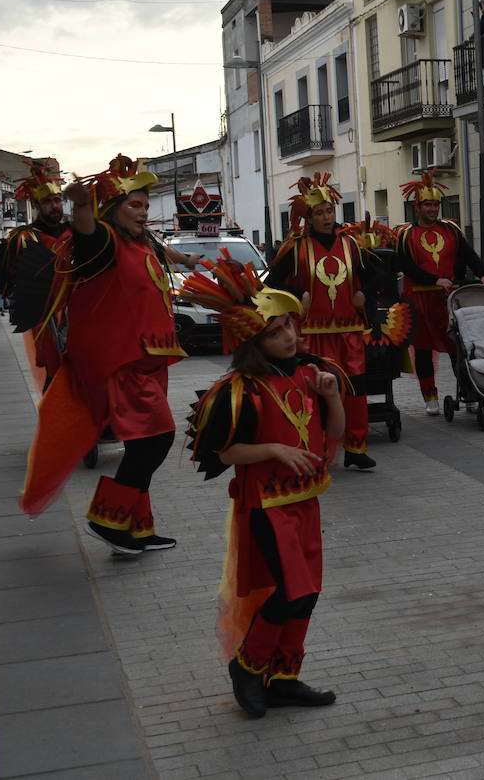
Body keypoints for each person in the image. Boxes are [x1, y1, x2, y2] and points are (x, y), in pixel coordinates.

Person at [179, 258, 344, 717]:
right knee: (290, 591)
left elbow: (337, 433)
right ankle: (248, 668)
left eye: (289, 325)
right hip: (267, 504)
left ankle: (285, 677)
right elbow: (225, 454)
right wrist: (273, 448)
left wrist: (331, 397)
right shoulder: (239, 391)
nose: (289, 336)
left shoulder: (313, 372)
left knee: (308, 592)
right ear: (254, 341)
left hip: (306, 499)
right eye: (275, 332)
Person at [20, 155, 195, 554]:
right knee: (158, 439)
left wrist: (191, 264)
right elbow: (86, 233)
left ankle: (137, 528)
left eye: (146, 205)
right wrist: (81, 205)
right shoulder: (104, 241)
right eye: (135, 205)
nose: (144, 211)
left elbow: (161, 259)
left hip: (151, 361)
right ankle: (107, 518)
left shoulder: (141, 242)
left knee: (141, 444)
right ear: (112, 210)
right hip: (124, 364)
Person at [265, 173, 377, 470]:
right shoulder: (297, 248)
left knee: (354, 391)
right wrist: (296, 291)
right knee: (317, 393)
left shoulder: (352, 245)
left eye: (330, 211)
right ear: (309, 218)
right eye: (319, 213)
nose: (327, 217)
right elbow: (269, 283)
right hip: (312, 334)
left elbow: (375, 277)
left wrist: (365, 293)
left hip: (349, 332)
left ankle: (356, 449)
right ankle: (317, 449)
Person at [395, 171, 484, 415]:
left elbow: (467, 253)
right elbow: (405, 266)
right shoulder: (405, 233)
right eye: (427, 204)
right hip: (418, 299)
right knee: (423, 350)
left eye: (436, 204)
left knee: (458, 346)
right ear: (417, 207)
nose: (432, 209)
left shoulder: (451, 229)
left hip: (448, 298)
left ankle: (468, 392)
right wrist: (432, 279)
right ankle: (430, 397)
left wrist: (483, 273)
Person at [0, 158, 71, 383]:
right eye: (48, 201)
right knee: (55, 375)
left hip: (80, 312)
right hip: (44, 317)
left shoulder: (76, 234)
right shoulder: (24, 238)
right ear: (36, 205)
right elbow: (9, 280)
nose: (54, 206)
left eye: (57, 200)